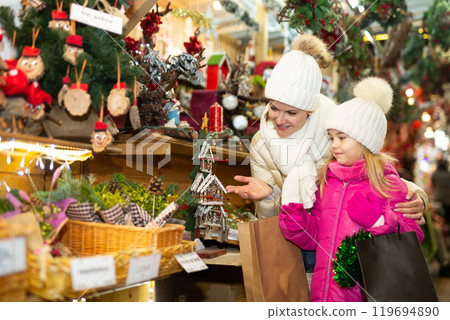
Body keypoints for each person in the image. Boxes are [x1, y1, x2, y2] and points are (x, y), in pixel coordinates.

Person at [226, 34, 427, 223]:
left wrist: (418, 196)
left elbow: (375, 172)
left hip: (344, 239)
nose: (279, 120)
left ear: (309, 111)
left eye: (291, 113)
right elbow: (270, 221)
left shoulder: (335, 132)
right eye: (274, 108)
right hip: (299, 239)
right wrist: (270, 196)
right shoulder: (261, 143)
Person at [278, 77, 424, 302]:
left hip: (367, 296)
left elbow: (412, 237)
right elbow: (315, 237)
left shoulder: (387, 184)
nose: (334, 145)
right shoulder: (328, 181)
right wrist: (295, 218)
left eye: (342, 138)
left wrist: (378, 222)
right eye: (331, 138)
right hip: (323, 295)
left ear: (365, 140)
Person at [431, 159, 450, 224]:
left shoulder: (435, 174)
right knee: (447, 217)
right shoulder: (448, 174)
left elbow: (433, 184)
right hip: (447, 198)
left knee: (437, 216)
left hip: (437, 197)